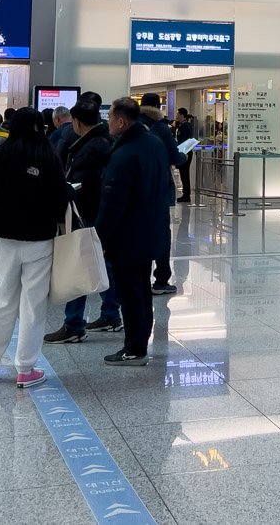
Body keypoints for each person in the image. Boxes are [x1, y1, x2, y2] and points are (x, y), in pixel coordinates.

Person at [0, 108, 68, 389]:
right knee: (32, 303)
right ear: (40, 127)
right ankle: (25, 369)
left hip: (4, 238)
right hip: (39, 237)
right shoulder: (47, 156)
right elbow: (59, 197)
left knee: (2, 298)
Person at [96, 97, 172, 366]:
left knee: (129, 293)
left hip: (128, 235)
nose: (108, 124)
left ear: (120, 121)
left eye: (110, 119)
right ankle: (141, 340)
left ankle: (134, 348)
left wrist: (100, 238)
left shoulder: (124, 154)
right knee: (141, 290)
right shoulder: (154, 143)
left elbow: (113, 203)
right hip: (150, 228)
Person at [45, 96, 116, 343]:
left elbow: (86, 184)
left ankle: (74, 324)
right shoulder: (105, 141)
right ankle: (110, 314)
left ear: (75, 122)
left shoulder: (90, 148)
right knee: (102, 262)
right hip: (100, 213)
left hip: (87, 213)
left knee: (81, 263)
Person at [138, 92, 185, 296]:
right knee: (161, 235)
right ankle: (161, 280)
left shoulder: (133, 125)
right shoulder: (161, 128)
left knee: (137, 233)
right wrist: (182, 154)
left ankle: (139, 279)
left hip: (136, 189)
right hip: (158, 189)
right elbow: (176, 157)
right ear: (158, 107)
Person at [174, 107, 196, 203]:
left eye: (177, 114)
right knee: (183, 174)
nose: (176, 116)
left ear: (182, 115)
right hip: (184, 151)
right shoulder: (183, 125)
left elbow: (185, 140)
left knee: (185, 174)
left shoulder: (185, 126)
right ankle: (186, 193)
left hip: (185, 152)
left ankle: (186, 195)